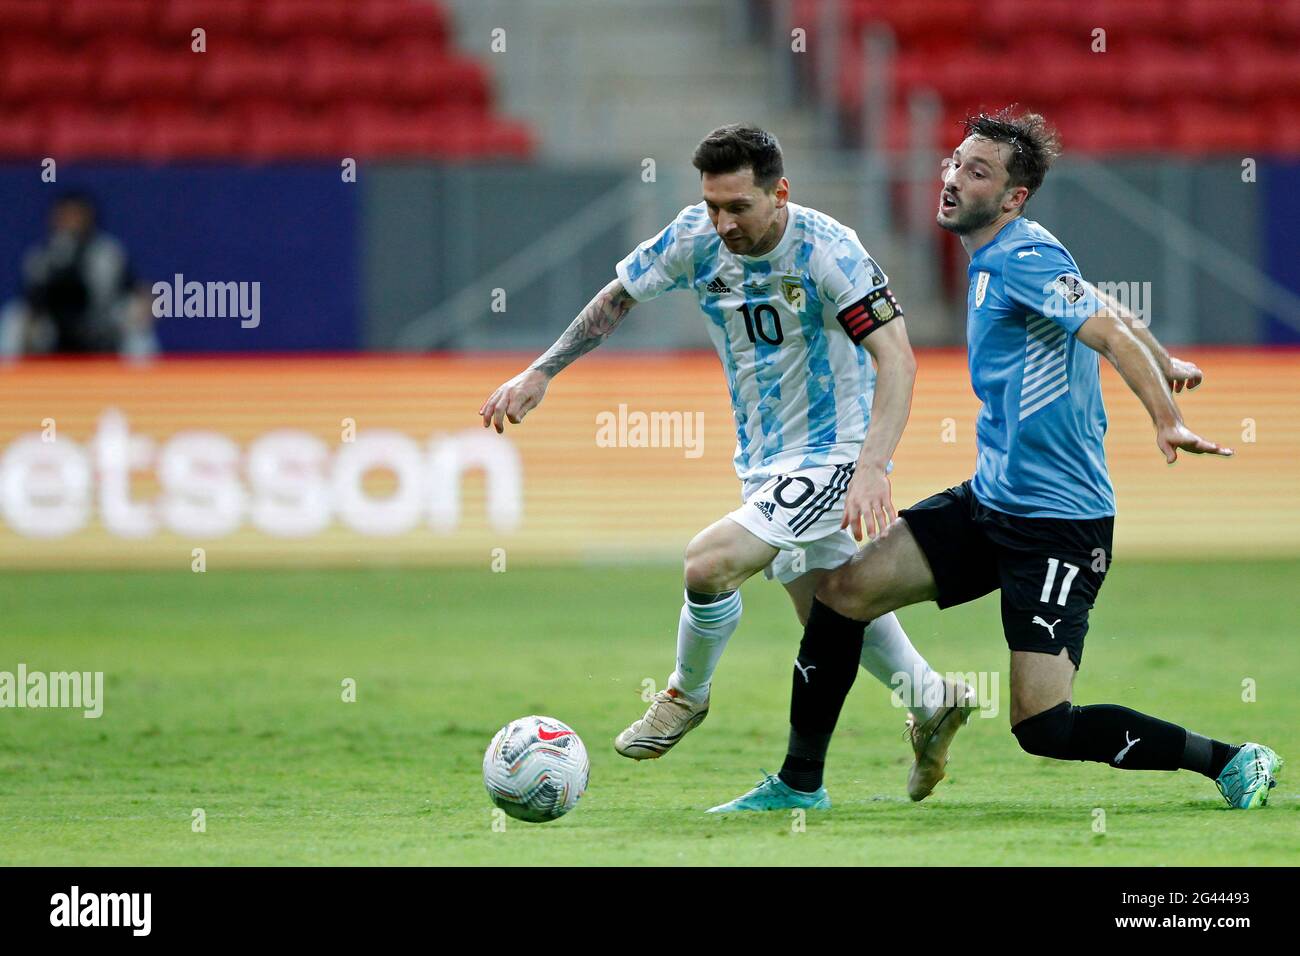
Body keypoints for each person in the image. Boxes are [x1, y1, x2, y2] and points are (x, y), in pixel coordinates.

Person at [709, 108, 1281, 814]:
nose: (951, 177)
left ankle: (1231, 760)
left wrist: (1168, 418)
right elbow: (1107, 308)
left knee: (1044, 726)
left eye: (976, 172)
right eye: (954, 160)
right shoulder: (1001, 258)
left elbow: (1102, 327)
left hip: (1057, 528)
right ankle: (799, 786)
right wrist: (1167, 358)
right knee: (840, 593)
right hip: (990, 503)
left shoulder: (1023, 256)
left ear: (1013, 197)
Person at [480, 124, 972, 807]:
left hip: (835, 454)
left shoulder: (830, 252)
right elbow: (616, 296)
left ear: (780, 194)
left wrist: (873, 466)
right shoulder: (693, 238)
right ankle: (929, 698)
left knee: (709, 563)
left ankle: (686, 694)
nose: (723, 222)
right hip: (765, 462)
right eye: (713, 205)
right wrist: (542, 372)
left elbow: (899, 357)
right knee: (832, 606)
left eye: (738, 206)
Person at [0, 191, 156, 360]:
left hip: (101, 326)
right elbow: (31, 300)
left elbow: (133, 290)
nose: (71, 221)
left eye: (76, 215)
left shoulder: (108, 253)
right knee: (14, 317)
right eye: (65, 215)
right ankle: (8, 381)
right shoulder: (42, 256)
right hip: (53, 331)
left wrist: (144, 301)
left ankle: (142, 383)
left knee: (135, 317)